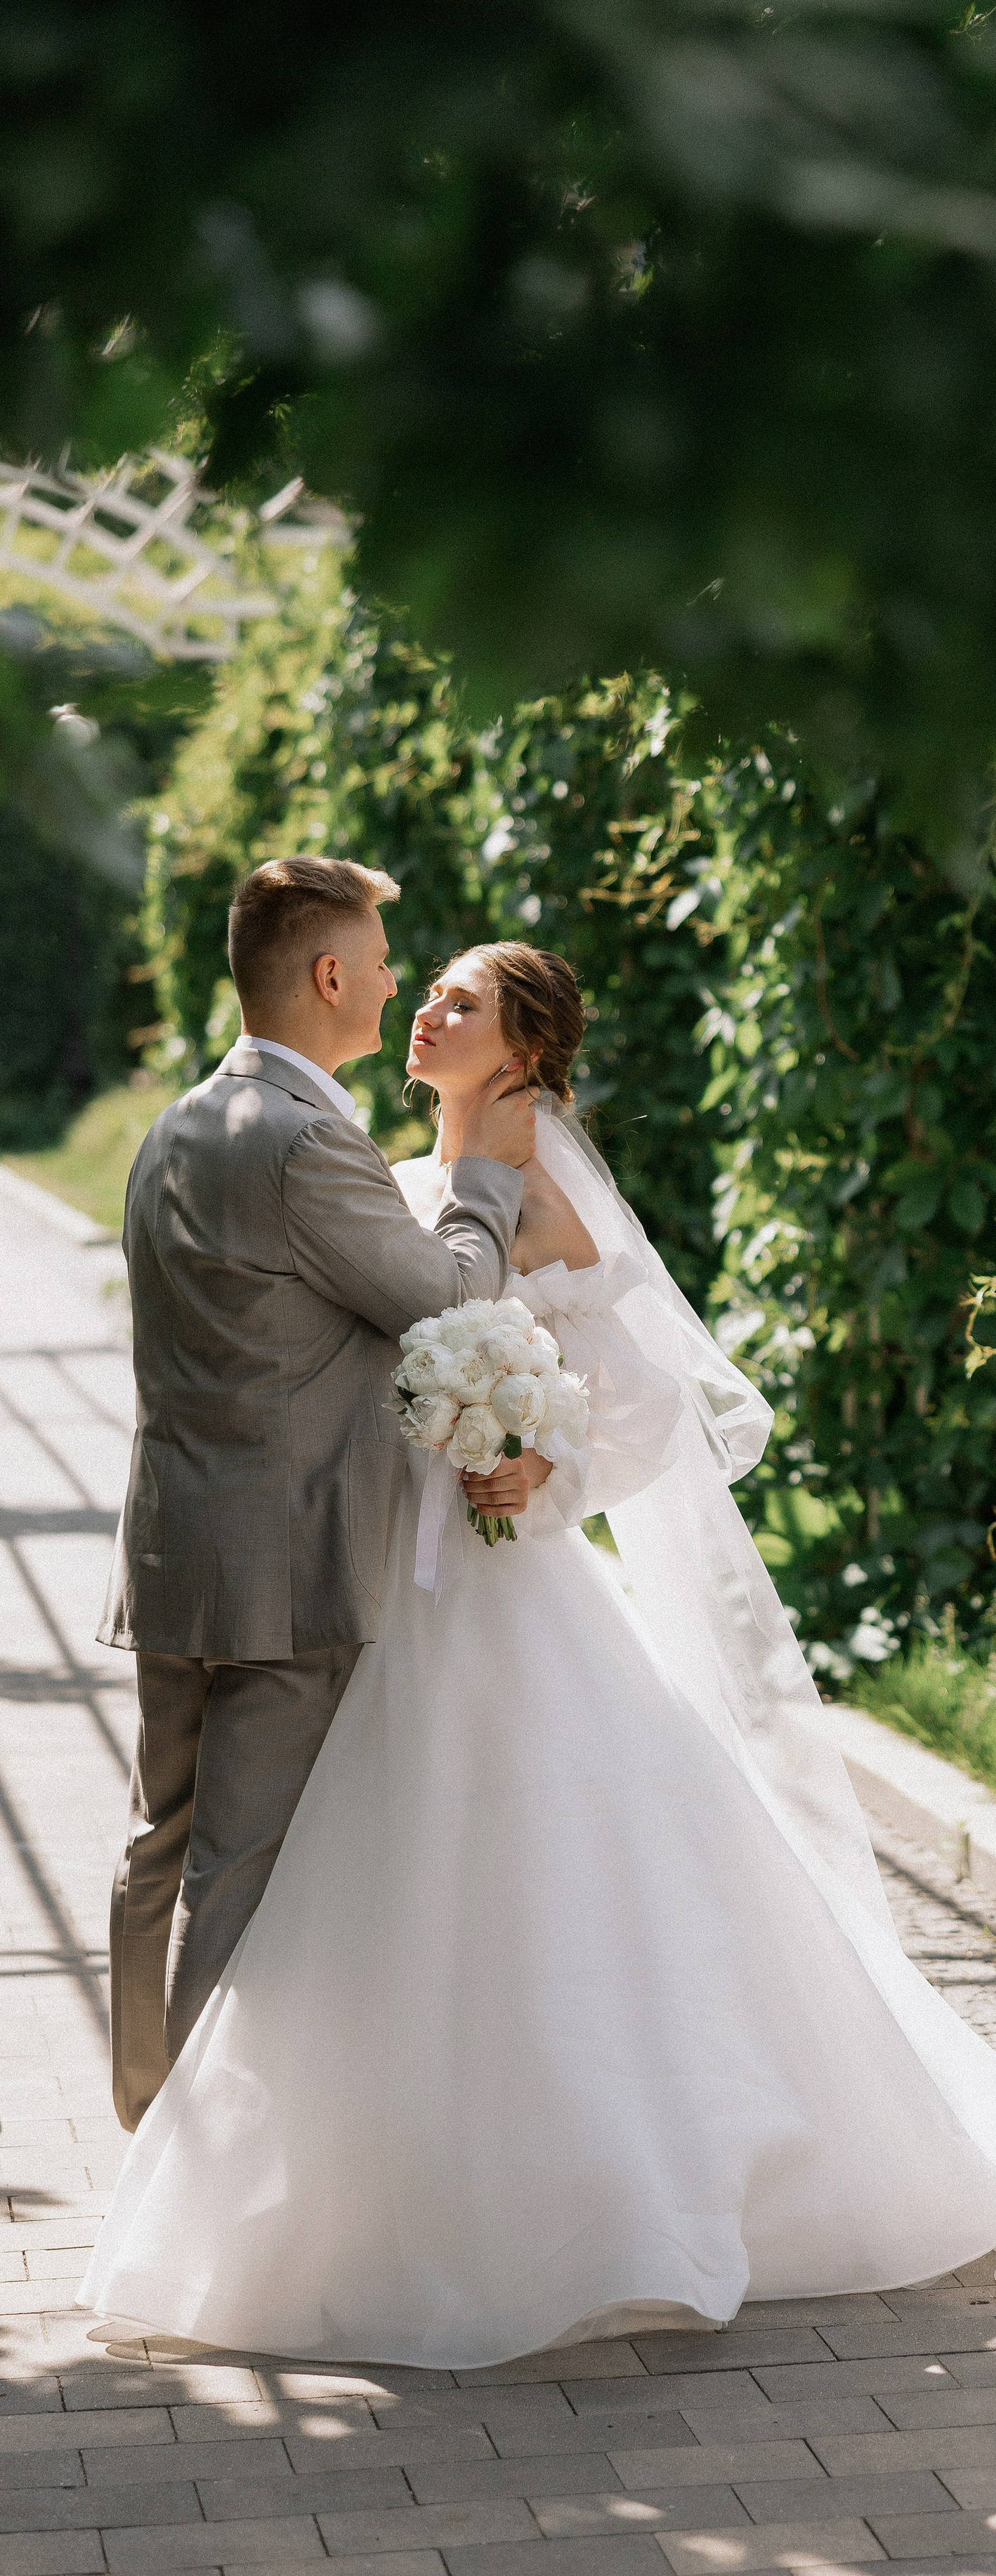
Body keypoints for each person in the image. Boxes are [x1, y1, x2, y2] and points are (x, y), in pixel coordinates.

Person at [81, 942, 996, 2367]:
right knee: (376, 1876)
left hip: (495, 1584)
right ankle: (351, 2163)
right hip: (395, 1587)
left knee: (531, 1872)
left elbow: (636, 1402)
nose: (426, 1008)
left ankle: (597, 2187)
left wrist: (531, 1472)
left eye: (461, 1003)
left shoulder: (533, 1172)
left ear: (525, 1053)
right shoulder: (404, 1169)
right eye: (423, 991)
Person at [97, 860, 536, 2134]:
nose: (398, 985)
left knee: (157, 1851)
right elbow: (449, 1297)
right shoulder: (303, 1141)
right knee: (236, 1875)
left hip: (179, 1545)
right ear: (330, 975)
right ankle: (197, 2187)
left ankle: (141, 2119)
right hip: (283, 1563)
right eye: (385, 963)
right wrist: (488, 1184)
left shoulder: (180, 1120)